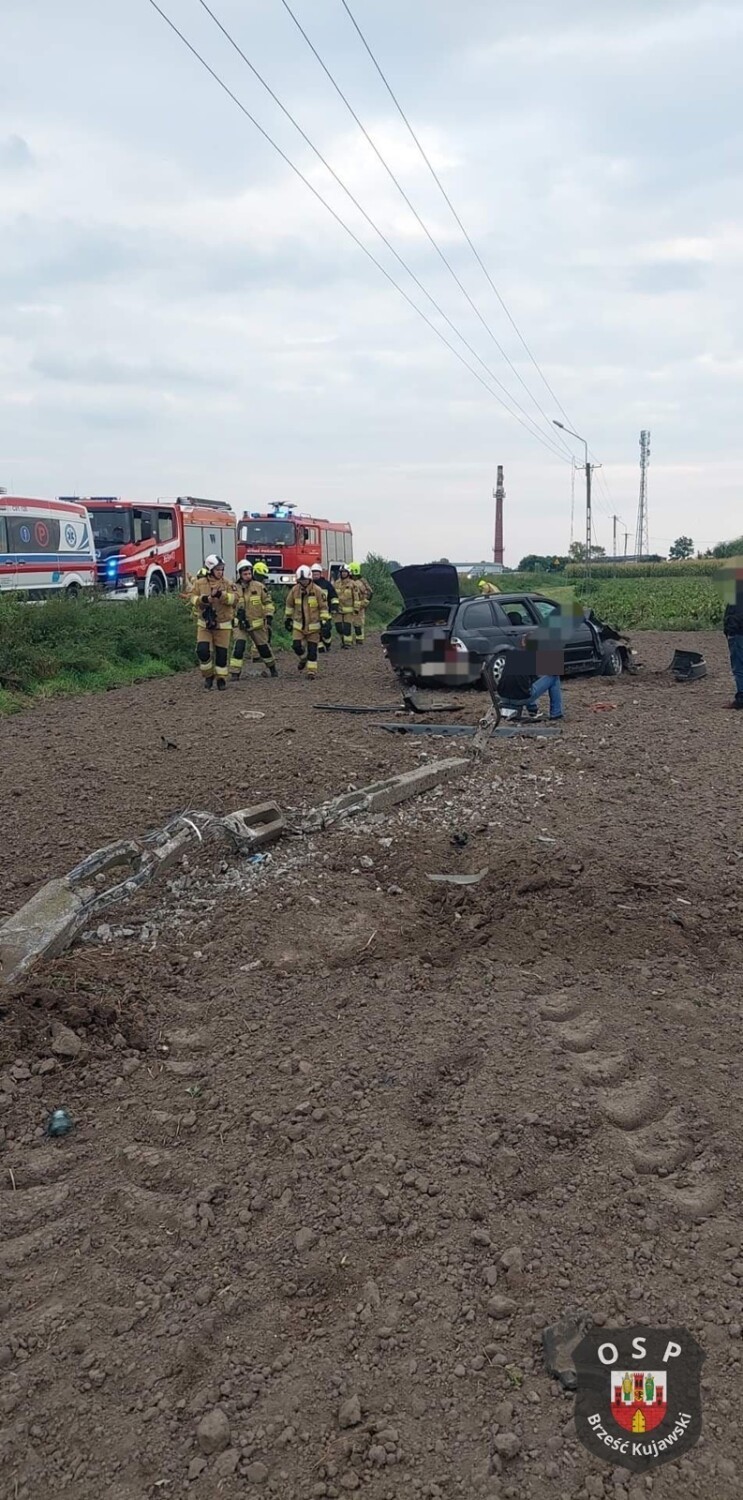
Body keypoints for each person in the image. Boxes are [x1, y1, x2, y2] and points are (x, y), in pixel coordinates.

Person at [187, 554, 235, 690]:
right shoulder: (199, 583)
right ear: (210, 570)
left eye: (222, 569)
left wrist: (222, 595)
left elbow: (235, 599)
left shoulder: (228, 584)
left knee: (221, 655)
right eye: (218, 569)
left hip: (223, 625)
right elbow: (192, 598)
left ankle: (221, 680)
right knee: (202, 651)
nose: (220, 572)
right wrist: (203, 600)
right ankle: (208, 676)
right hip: (205, 625)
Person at [230, 558, 278, 680]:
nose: (248, 576)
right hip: (240, 625)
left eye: (249, 573)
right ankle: (235, 673)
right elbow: (228, 605)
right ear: (240, 574)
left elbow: (268, 603)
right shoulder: (233, 588)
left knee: (263, 649)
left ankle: (272, 667)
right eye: (245, 574)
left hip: (257, 625)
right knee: (239, 647)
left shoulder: (259, 587)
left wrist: (269, 615)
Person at [284, 565, 330, 678]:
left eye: (304, 580)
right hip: (298, 626)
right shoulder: (295, 590)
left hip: (313, 627)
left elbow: (323, 607)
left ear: (309, 579)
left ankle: (311, 672)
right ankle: (303, 658)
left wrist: (324, 622)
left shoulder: (318, 591)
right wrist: (288, 618)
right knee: (296, 646)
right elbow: (289, 604)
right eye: (301, 580)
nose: (303, 582)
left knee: (312, 651)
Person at [723, 572, 743, 709]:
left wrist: (729, 630)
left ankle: (741, 699)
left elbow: (733, 616)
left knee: (739, 668)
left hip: (737, 633)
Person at [310, 561, 338, 653]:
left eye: (317, 573)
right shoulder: (308, 585)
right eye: (313, 573)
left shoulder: (326, 584)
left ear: (320, 574)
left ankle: (328, 643)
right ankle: (320, 646)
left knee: (326, 630)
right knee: (315, 631)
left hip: (326, 611)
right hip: (313, 613)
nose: (315, 575)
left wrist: (334, 607)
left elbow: (333, 596)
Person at [335, 564, 360, 649]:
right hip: (338, 610)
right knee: (338, 627)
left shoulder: (353, 584)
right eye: (342, 572)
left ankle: (347, 643)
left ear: (348, 573)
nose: (344, 574)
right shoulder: (336, 583)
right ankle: (342, 640)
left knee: (347, 627)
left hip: (349, 611)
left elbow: (356, 597)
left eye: (345, 572)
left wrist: (356, 608)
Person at [349, 562, 372, 643]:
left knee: (358, 624)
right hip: (351, 605)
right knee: (351, 624)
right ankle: (351, 640)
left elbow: (369, 593)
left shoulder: (360, 582)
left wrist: (364, 603)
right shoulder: (351, 581)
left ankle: (359, 639)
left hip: (359, 606)